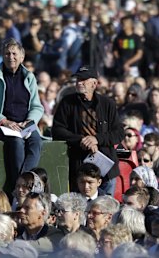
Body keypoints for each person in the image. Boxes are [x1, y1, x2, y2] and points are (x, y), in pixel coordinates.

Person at [0, 38, 44, 193]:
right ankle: (23, 187)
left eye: (14, 53)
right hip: (1, 124)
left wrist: (29, 121)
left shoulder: (29, 77)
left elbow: (37, 106)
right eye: (7, 53)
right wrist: (5, 121)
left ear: (22, 57)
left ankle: (22, 183)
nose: (11, 57)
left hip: (23, 123)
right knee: (16, 143)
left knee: (36, 141)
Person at [52, 66, 124, 195]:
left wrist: (96, 139)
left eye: (84, 79)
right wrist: (81, 140)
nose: (79, 82)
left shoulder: (107, 104)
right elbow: (57, 130)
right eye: (78, 79)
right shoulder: (67, 103)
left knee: (105, 208)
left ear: (94, 83)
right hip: (79, 166)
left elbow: (118, 133)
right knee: (80, 207)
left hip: (105, 166)